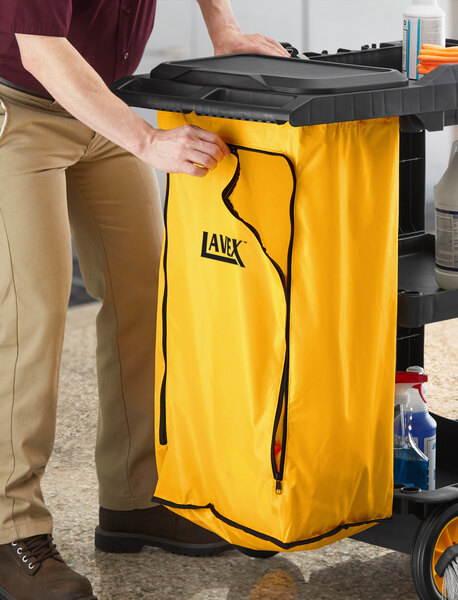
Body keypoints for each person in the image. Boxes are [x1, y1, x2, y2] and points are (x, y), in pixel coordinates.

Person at [0, 1, 289, 598]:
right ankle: (11, 531)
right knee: (33, 316)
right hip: (20, 105)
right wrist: (148, 140)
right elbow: (40, 49)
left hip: (99, 101)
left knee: (148, 296)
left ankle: (135, 499)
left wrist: (223, 26)